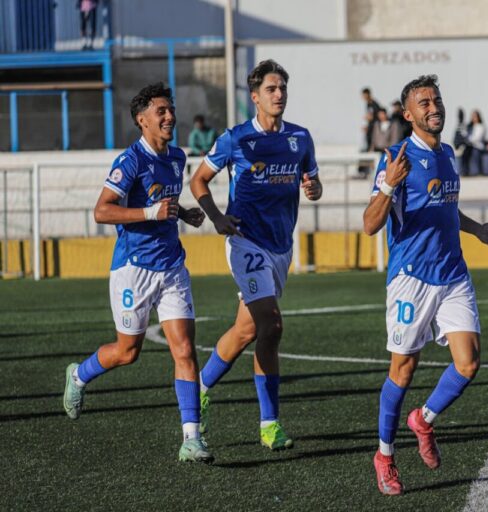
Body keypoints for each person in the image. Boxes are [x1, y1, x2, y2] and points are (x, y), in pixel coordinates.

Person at [363, 75, 488, 496]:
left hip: (453, 274)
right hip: (411, 280)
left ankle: (423, 419)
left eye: (436, 99)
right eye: (424, 102)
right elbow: (370, 224)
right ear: (408, 115)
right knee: (402, 371)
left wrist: (476, 229)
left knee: (469, 362)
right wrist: (389, 183)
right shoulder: (395, 157)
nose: (433, 106)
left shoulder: (447, 153)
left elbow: (446, 207)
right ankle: (385, 455)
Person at [62, 83, 211, 463]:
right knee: (128, 352)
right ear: (142, 121)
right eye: (161, 111)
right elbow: (102, 211)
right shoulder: (129, 161)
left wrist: (184, 213)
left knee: (184, 350)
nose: (169, 117)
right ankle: (79, 375)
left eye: (171, 109)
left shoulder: (177, 157)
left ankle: (191, 439)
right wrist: (150, 213)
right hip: (133, 271)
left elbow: (166, 202)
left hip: (172, 267)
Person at [189, 59, 322, 450]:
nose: (279, 95)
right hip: (246, 241)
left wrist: (314, 189)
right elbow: (198, 179)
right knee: (272, 326)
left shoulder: (300, 137)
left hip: (282, 247)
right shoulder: (236, 139)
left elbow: (312, 183)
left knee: (246, 330)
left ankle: (197, 388)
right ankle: (269, 424)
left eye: (282, 88)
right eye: (271, 89)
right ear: (254, 97)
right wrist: (215, 216)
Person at [467, 109, 488, 176]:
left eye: (475, 116)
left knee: (475, 153)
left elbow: (477, 138)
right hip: (469, 146)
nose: (473, 118)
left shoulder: (481, 126)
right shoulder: (469, 126)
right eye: (472, 116)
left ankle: (475, 172)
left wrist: (468, 139)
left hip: (478, 147)